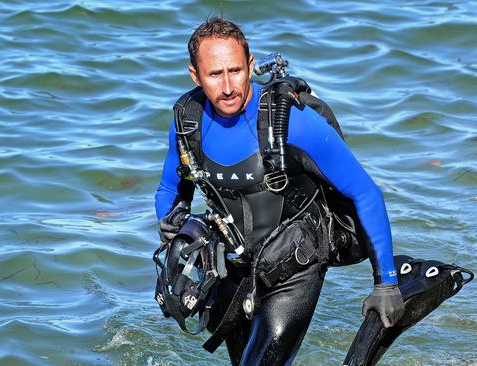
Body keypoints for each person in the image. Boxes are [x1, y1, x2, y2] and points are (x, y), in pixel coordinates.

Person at [155, 17, 404, 365]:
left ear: (251, 65)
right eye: (214, 75)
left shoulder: (291, 121)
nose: (228, 87)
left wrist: (386, 285)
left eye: (236, 71)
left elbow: (365, 193)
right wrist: (172, 224)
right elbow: (170, 188)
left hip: (296, 268)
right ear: (195, 75)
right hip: (233, 269)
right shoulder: (187, 120)